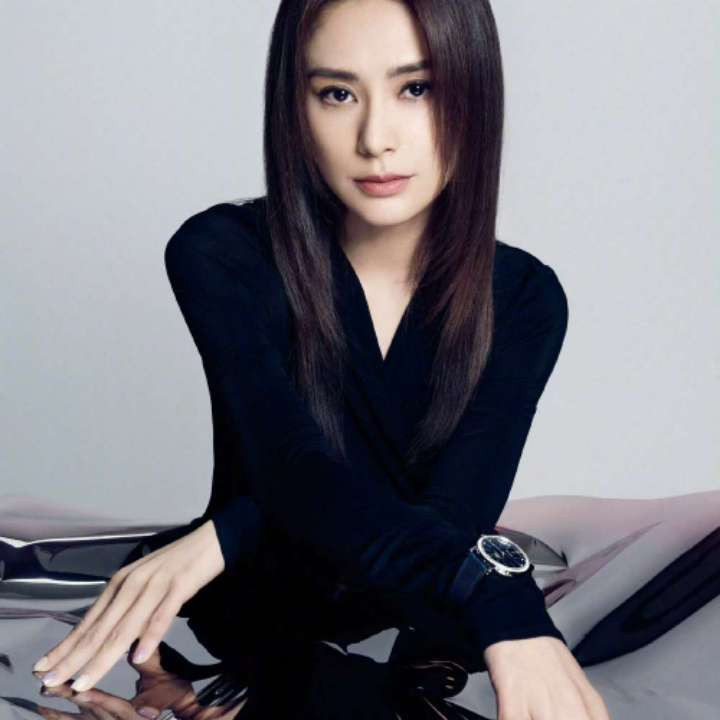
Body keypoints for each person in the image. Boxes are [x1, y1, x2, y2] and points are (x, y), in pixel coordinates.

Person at [32, 1, 611, 718]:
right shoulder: (223, 255)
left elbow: (454, 514)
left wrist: (229, 532)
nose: (375, 139)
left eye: (417, 88)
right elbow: (293, 466)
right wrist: (494, 587)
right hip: (238, 627)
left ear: (476, 93)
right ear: (294, 108)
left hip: (411, 647)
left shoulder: (524, 299)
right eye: (337, 93)